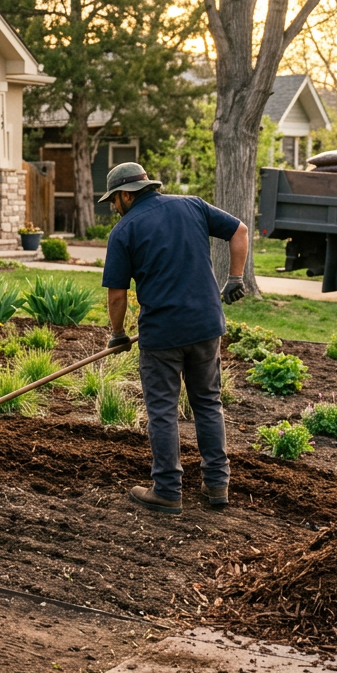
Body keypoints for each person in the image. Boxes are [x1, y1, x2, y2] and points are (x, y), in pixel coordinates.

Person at [98, 162, 249, 515]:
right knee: (208, 403)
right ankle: (217, 484)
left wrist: (117, 334)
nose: (113, 206)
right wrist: (235, 278)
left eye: (113, 200)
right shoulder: (192, 205)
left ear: (125, 195)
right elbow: (239, 230)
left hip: (162, 334)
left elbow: (117, 295)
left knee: (162, 411)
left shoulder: (124, 231)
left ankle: (167, 490)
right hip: (206, 326)